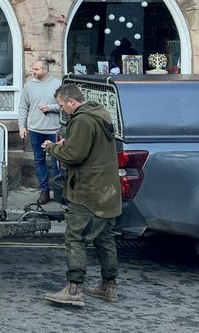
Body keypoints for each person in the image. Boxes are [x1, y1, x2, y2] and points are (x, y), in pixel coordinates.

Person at [42, 83, 122, 307]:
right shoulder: (100, 113)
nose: (62, 110)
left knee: (74, 238)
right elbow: (90, 145)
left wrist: (51, 148)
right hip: (108, 191)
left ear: (72, 102)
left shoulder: (82, 120)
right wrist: (69, 142)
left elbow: (73, 155)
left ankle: (73, 289)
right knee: (105, 239)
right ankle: (109, 286)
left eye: (62, 106)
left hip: (88, 191)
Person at [20, 58, 63, 205]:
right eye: (33, 68)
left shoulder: (57, 84)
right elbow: (23, 107)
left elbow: (65, 107)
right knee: (39, 160)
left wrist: (51, 107)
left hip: (53, 129)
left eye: (36, 69)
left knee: (57, 161)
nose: (33, 71)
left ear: (45, 70)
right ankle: (44, 190)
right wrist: (21, 126)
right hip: (35, 129)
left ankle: (59, 191)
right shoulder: (29, 86)